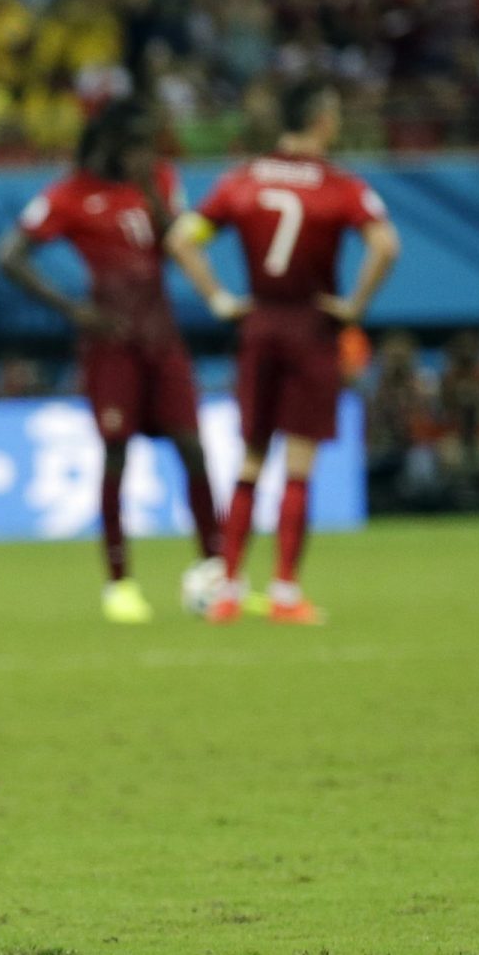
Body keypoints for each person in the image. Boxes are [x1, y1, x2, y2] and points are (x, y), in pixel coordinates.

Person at [166, 79, 401, 625]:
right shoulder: (340, 187)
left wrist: (219, 298)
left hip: (260, 325)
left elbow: (182, 238)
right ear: (322, 119)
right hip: (310, 325)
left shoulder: (241, 181)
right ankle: (285, 593)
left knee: (250, 461)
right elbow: (386, 244)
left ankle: (226, 588)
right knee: (298, 465)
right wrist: (355, 305)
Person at [0, 99, 223, 624]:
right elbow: (9, 255)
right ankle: (120, 583)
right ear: (112, 144)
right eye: (137, 143)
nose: (147, 152)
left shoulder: (159, 180)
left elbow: (179, 244)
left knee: (193, 447)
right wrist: (77, 311)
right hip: (111, 343)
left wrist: (151, 193)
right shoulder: (68, 195)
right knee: (116, 451)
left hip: (162, 338)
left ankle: (217, 569)